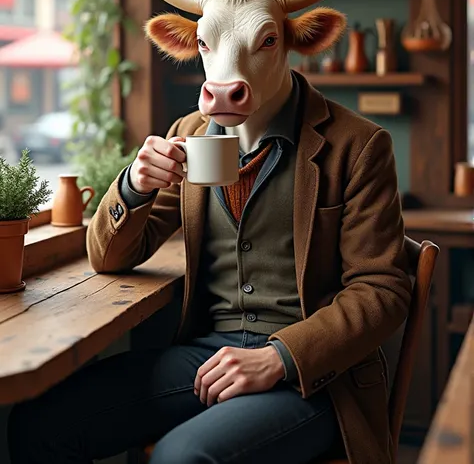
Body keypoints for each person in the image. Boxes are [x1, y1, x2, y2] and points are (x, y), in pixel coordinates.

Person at [8, 71, 411, 464]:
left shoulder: (358, 143)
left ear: (283, 47)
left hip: (316, 376)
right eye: (207, 45)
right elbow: (109, 257)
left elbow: (381, 290)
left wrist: (280, 357)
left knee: (181, 456)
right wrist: (134, 184)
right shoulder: (190, 131)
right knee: (38, 425)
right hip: (207, 356)